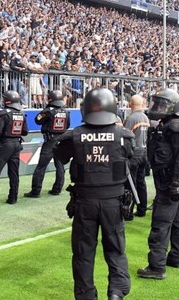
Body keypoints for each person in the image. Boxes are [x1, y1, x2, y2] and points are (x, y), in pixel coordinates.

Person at [54, 88, 133, 300]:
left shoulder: (74, 136)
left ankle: (86, 295)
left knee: (83, 253)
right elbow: (132, 158)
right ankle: (116, 292)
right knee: (116, 250)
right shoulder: (123, 135)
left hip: (84, 202)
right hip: (113, 203)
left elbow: (60, 157)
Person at [138, 88, 179, 280]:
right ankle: (175, 257)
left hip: (170, 181)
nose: (157, 107)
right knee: (177, 220)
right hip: (168, 180)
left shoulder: (175, 127)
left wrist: (176, 182)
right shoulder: (167, 125)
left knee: (160, 223)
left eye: (162, 104)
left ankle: (157, 266)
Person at [0, 90, 28, 205]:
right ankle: (13, 197)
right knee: (14, 173)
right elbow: (25, 131)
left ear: (7, 101)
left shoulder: (3, 114)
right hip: (17, 144)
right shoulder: (21, 114)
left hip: (5, 145)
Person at [26, 90, 70, 198]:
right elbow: (68, 125)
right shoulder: (66, 111)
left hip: (50, 141)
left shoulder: (48, 111)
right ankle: (57, 189)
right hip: (62, 140)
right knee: (60, 165)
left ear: (50, 99)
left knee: (41, 166)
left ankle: (36, 191)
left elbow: (37, 120)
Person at [122, 94, 150, 219]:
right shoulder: (145, 117)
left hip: (134, 154)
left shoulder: (131, 118)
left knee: (130, 183)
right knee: (141, 182)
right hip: (144, 152)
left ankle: (129, 211)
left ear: (130, 104)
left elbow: (125, 137)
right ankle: (142, 208)